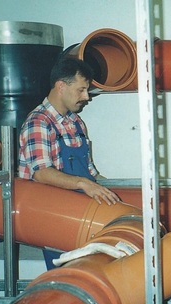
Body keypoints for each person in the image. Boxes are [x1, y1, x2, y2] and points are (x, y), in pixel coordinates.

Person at [18, 58, 120, 269]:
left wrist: (117, 188)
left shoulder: (75, 122)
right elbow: (42, 173)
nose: (86, 97)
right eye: (81, 90)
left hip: (82, 215)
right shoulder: (38, 122)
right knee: (71, 277)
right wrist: (84, 184)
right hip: (54, 218)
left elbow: (91, 172)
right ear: (61, 86)